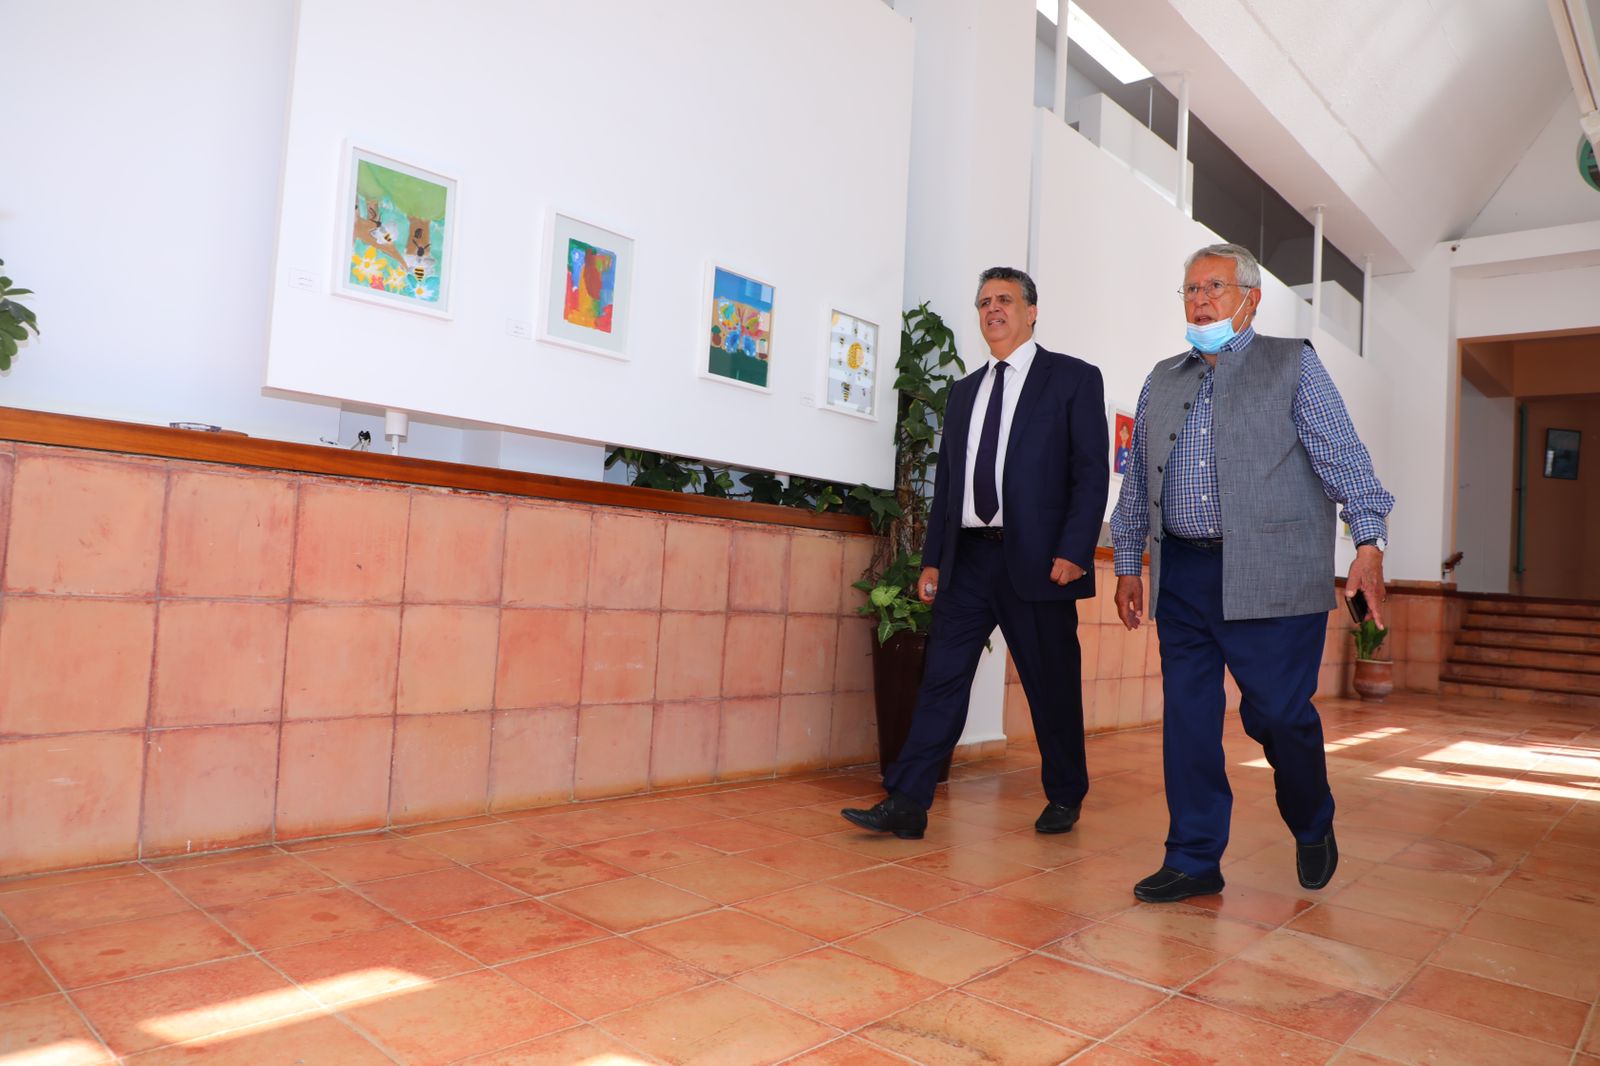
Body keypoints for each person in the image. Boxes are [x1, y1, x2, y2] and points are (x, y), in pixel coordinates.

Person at [1110, 243, 1393, 903]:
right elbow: (1138, 480)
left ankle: (1311, 816)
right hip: (1183, 574)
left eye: (1214, 287)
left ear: (1251, 299)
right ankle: (1193, 857)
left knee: (1278, 716)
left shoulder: (1292, 364)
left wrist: (1369, 541)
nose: (1200, 300)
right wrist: (1128, 563)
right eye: (1191, 290)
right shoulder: (1162, 378)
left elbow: (1344, 457)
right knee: (1188, 718)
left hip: (1271, 574)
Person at [842, 267, 1109, 839]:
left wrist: (1074, 550)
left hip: (1040, 562)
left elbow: (1090, 475)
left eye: (1005, 299)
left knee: (1050, 685)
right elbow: (949, 485)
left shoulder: (1073, 379)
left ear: (1031, 311)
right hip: (969, 559)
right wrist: (934, 558)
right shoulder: (964, 392)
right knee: (941, 679)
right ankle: (907, 801)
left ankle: (1066, 793)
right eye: (984, 301)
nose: (993, 309)